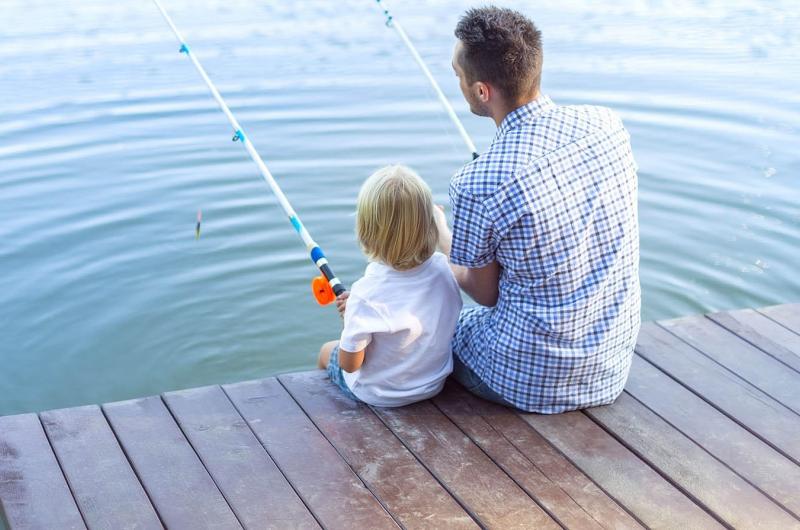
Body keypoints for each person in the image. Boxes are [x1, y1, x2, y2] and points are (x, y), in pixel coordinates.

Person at [433, 6, 641, 413]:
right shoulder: (607, 126)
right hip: (610, 366)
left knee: (425, 333)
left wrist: (442, 240)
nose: (456, 81)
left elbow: (485, 293)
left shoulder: (477, 183)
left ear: (481, 91)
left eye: (458, 74)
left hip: (528, 381)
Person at [318, 165, 463, 407]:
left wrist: (349, 321)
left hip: (381, 395)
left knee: (326, 352)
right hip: (433, 383)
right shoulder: (446, 268)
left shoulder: (366, 294)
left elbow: (350, 364)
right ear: (429, 224)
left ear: (365, 230)